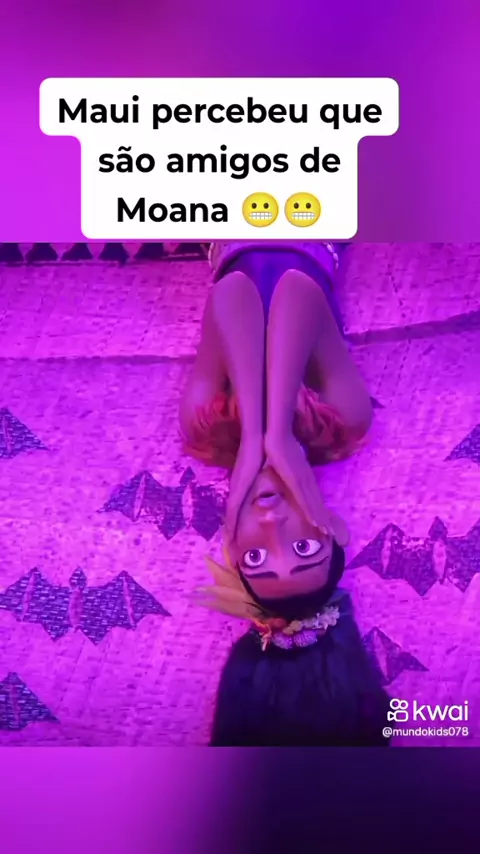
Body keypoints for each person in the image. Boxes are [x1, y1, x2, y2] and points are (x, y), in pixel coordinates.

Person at [179, 240, 391, 746]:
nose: (272, 523)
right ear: (334, 528)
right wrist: (278, 434)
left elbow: (232, 291)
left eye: (256, 556)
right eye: (303, 547)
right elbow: (299, 289)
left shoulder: (204, 432)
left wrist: (258, 435)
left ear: (231, 551)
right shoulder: (343, 424)